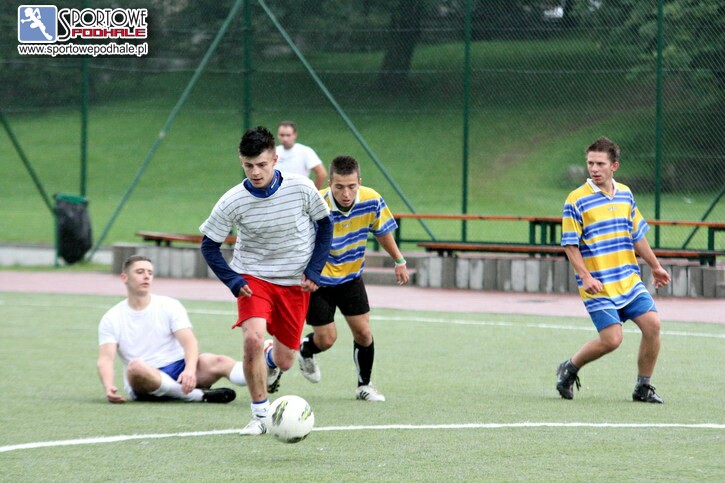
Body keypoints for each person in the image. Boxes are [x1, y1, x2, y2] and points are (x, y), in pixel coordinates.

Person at [199, 126, 333, 435]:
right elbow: (209, 246)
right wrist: (233, 280)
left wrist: (314, 270)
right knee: (252, 339)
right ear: (241, 162)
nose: (256, 172)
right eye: (248, 165)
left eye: (261, 164)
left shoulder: (301, 188)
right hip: (253, 278)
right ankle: (260, 415)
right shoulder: (232, 200)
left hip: (294, 282)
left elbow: (325, 226)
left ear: (275, 159)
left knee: (285, 361)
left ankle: (270, 359)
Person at [556, 136, 671, 403]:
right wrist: (585, 276)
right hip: (597, 285)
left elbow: (637, 235)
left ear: (614, 166)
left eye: (600, 164)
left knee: (653, 325)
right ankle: (569, 368)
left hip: (628, 279)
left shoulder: (625, 195)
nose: (594, 169)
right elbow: (570, 245)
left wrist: (655, 266)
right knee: (612, 340)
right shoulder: (576, 200)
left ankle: (643, 387)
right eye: (590, 163)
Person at [298, 155, 409, 402]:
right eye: (339, 187)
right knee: (327, 340)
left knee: (364, 333)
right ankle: (306, 349)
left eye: (351, 186)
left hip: (351, 277)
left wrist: (399, 260)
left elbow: (382, 231)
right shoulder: (316, 204)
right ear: (330, 183)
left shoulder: (371, 200)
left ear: (359, 182)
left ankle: (364, 386)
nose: (346, 194)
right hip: (318, 282)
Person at [97, 255, 245, 404]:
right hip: (145, 377)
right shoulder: (111, 318)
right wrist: (109, 387)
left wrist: (189, 370)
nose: (146, 276)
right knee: (135, 366)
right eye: (140, 272)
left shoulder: (169, 305)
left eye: (150, 272)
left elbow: (189, 343)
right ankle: (196, 395)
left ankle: (259, 374)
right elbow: (106, 359)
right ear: (124, 278)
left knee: (220, 361)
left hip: (180, 369)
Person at [276, 121, 327, 189]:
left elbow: (321, 173)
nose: (285, 139)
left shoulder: (305, 151)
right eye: (282, 135)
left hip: (299, 192)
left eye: (288, 135)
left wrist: (314, 192)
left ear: (295, 135)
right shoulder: (274, 152)